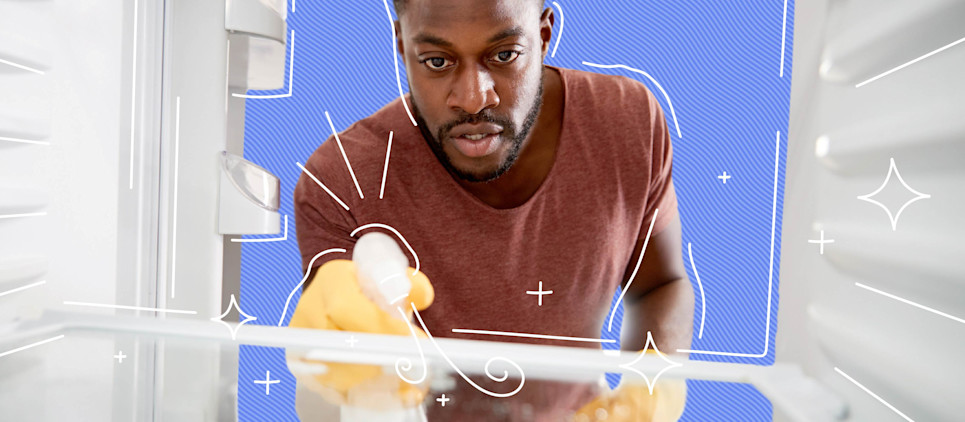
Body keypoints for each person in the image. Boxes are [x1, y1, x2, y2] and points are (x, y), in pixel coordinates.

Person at [289, 0, 694, 419]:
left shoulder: (626, 123)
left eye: (504, 55)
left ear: (543, 34)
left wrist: (651, 388)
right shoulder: (342, 178)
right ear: (400, 45)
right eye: (437, 61)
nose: (473, 98)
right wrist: (329, 358)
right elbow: (334, 364)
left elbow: (660, 285)